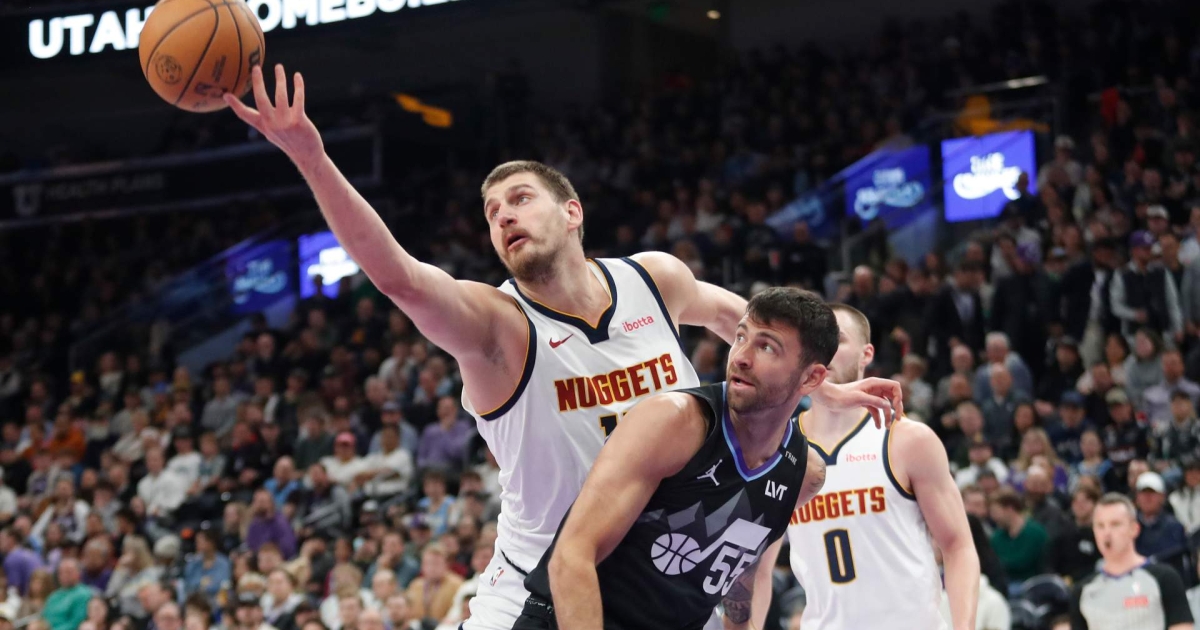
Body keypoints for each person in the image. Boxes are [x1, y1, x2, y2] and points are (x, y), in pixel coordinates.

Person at [224, 65, 900, 630]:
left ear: (572, 212)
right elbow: (398, 277)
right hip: (536, 590)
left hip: (646, 589)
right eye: (492, 214)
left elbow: (742, 319)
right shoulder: (496, 326)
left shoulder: (652, 279)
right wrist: (311, 156)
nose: (504, 216)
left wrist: (821, 387)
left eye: (519, 199)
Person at [512, 288, 860, 630]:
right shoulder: (675, 421)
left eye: (766, 346)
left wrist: (740, 625)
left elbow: (743, 558)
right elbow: (572, 555)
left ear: (812, 377)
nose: (740, 356)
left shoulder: (802, 473)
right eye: (741, 337)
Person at [779, 304, 979, 630]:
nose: (824, 350)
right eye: (814, 340)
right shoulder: (778, 447)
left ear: (866, 354)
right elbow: (757, 565)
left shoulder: (907, 439)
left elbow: (957, 546)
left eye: (837, 339)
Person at [1069, 493, 1194, 629]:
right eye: (1100, 526)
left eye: (1115, 524)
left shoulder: (1164, 578)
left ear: (1134, 529)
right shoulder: (1083, 591)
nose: (1107, 533)